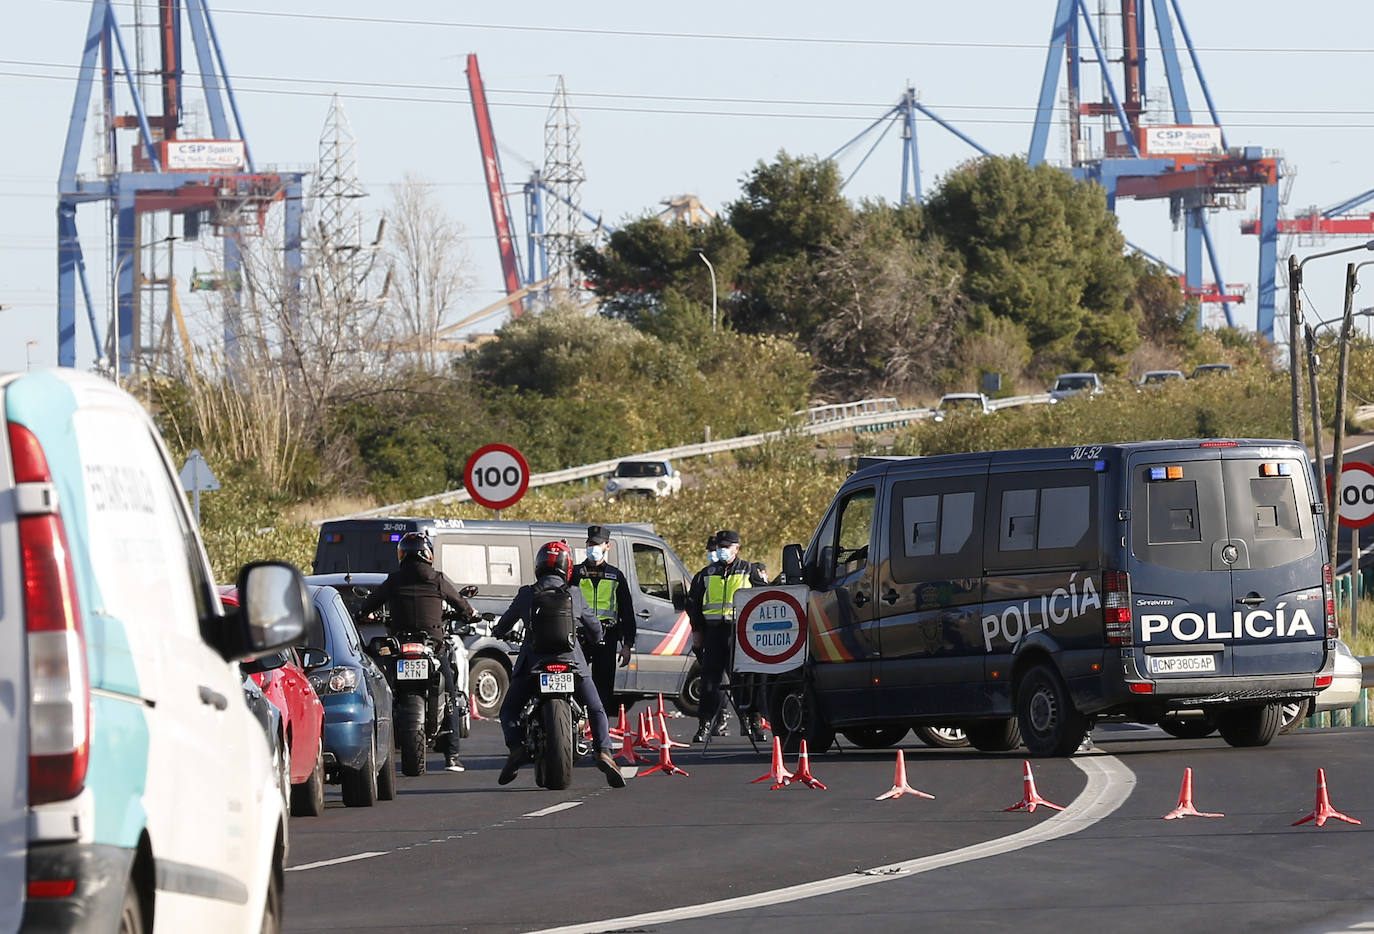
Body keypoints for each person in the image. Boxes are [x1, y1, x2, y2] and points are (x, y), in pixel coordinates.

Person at [493, 540, 626, 789]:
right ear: (567, 568)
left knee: (509, 710)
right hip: (572, 663)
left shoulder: (526, 594)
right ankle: (605, 752)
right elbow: (595, 628)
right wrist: (595, 639)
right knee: (596, 708)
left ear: (538, 566)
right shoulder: (574, 594)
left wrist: (500, 631)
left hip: (533, 665)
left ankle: (516, 749)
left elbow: (504, 625)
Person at [359, 531, 477, 772]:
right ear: (427, 554)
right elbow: (462, 605)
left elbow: (367, 605)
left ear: (402, 554)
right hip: (432, 645)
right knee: (451, 693)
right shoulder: (436, 579)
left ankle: (380, 746)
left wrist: (365, 613)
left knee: (386, 691)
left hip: (401, 646)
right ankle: (452, 756)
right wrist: (470, 614)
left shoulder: (394, 580)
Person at [686, 529, 754, 743]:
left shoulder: (748, 571)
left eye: (727, 547)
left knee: (744, 680)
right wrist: (696, 631)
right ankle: (705, 724)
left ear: (737, 548)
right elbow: (693, 604)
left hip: (740, 635)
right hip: (713, 633)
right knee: (709, 682)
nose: (722, 551)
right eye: (720, 547)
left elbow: (763, 598)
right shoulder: (706, 574)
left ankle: (750, 723)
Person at [569, 525, 636, 716]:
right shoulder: (575, 573)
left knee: (604, 684)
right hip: (580, 634)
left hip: (607, 635)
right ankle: (577, 721)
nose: (593, 548)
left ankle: (599, 725)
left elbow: (627, 612)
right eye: (590, 544)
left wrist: (627, 644)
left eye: (597, 544)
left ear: (607, 546)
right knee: (577, 680)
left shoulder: (615, 576)